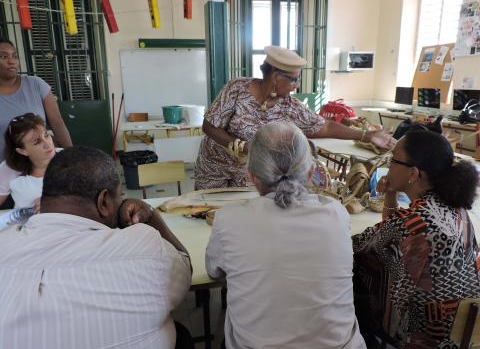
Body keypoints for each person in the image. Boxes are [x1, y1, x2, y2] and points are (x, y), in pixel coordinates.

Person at [0, 146, 192, 349]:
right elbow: (184, 266)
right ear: (103, 202)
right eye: (119, 196)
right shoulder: (146, 246)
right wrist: (151, 216)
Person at [206, 122, 366, 348]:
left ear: (251, 176)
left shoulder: (228, 219)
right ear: (311, 173)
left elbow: (213, 272)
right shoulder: (336, 213)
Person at [194, 45, 396, 189]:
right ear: (275, 76)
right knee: (204, 219)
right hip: (214, 167)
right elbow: (209, 126)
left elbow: (325, 126)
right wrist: (242, 146)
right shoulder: (236, 89)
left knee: (243, 220)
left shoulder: (290, 106)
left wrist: (366, 136)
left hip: (250, 174)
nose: (296, 85)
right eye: (293, 79)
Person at [352, 130, 480, 348]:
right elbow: (393, 235)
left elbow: (356, 248)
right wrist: (390, 194)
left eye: (393, 160)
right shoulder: (457, 208)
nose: (389, 166)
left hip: (422, 337)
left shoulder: (411, 221)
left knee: (352, 276)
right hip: (462, 334)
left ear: (413, 173)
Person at [0, 37, 72, 161]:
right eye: (3, 56)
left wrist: (72, 156)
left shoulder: (35, 84)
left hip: (42, 166)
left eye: (15, 56)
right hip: (5, 169)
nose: (11, 61)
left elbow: (57, 122)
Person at [0, 113, 56, 210]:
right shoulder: (9, 168)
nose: (47, 144)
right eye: (37, 142)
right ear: (22, 151)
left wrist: (57, 201)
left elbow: (89, 199)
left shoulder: (70, 158)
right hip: (24, 224)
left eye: (46, 135)